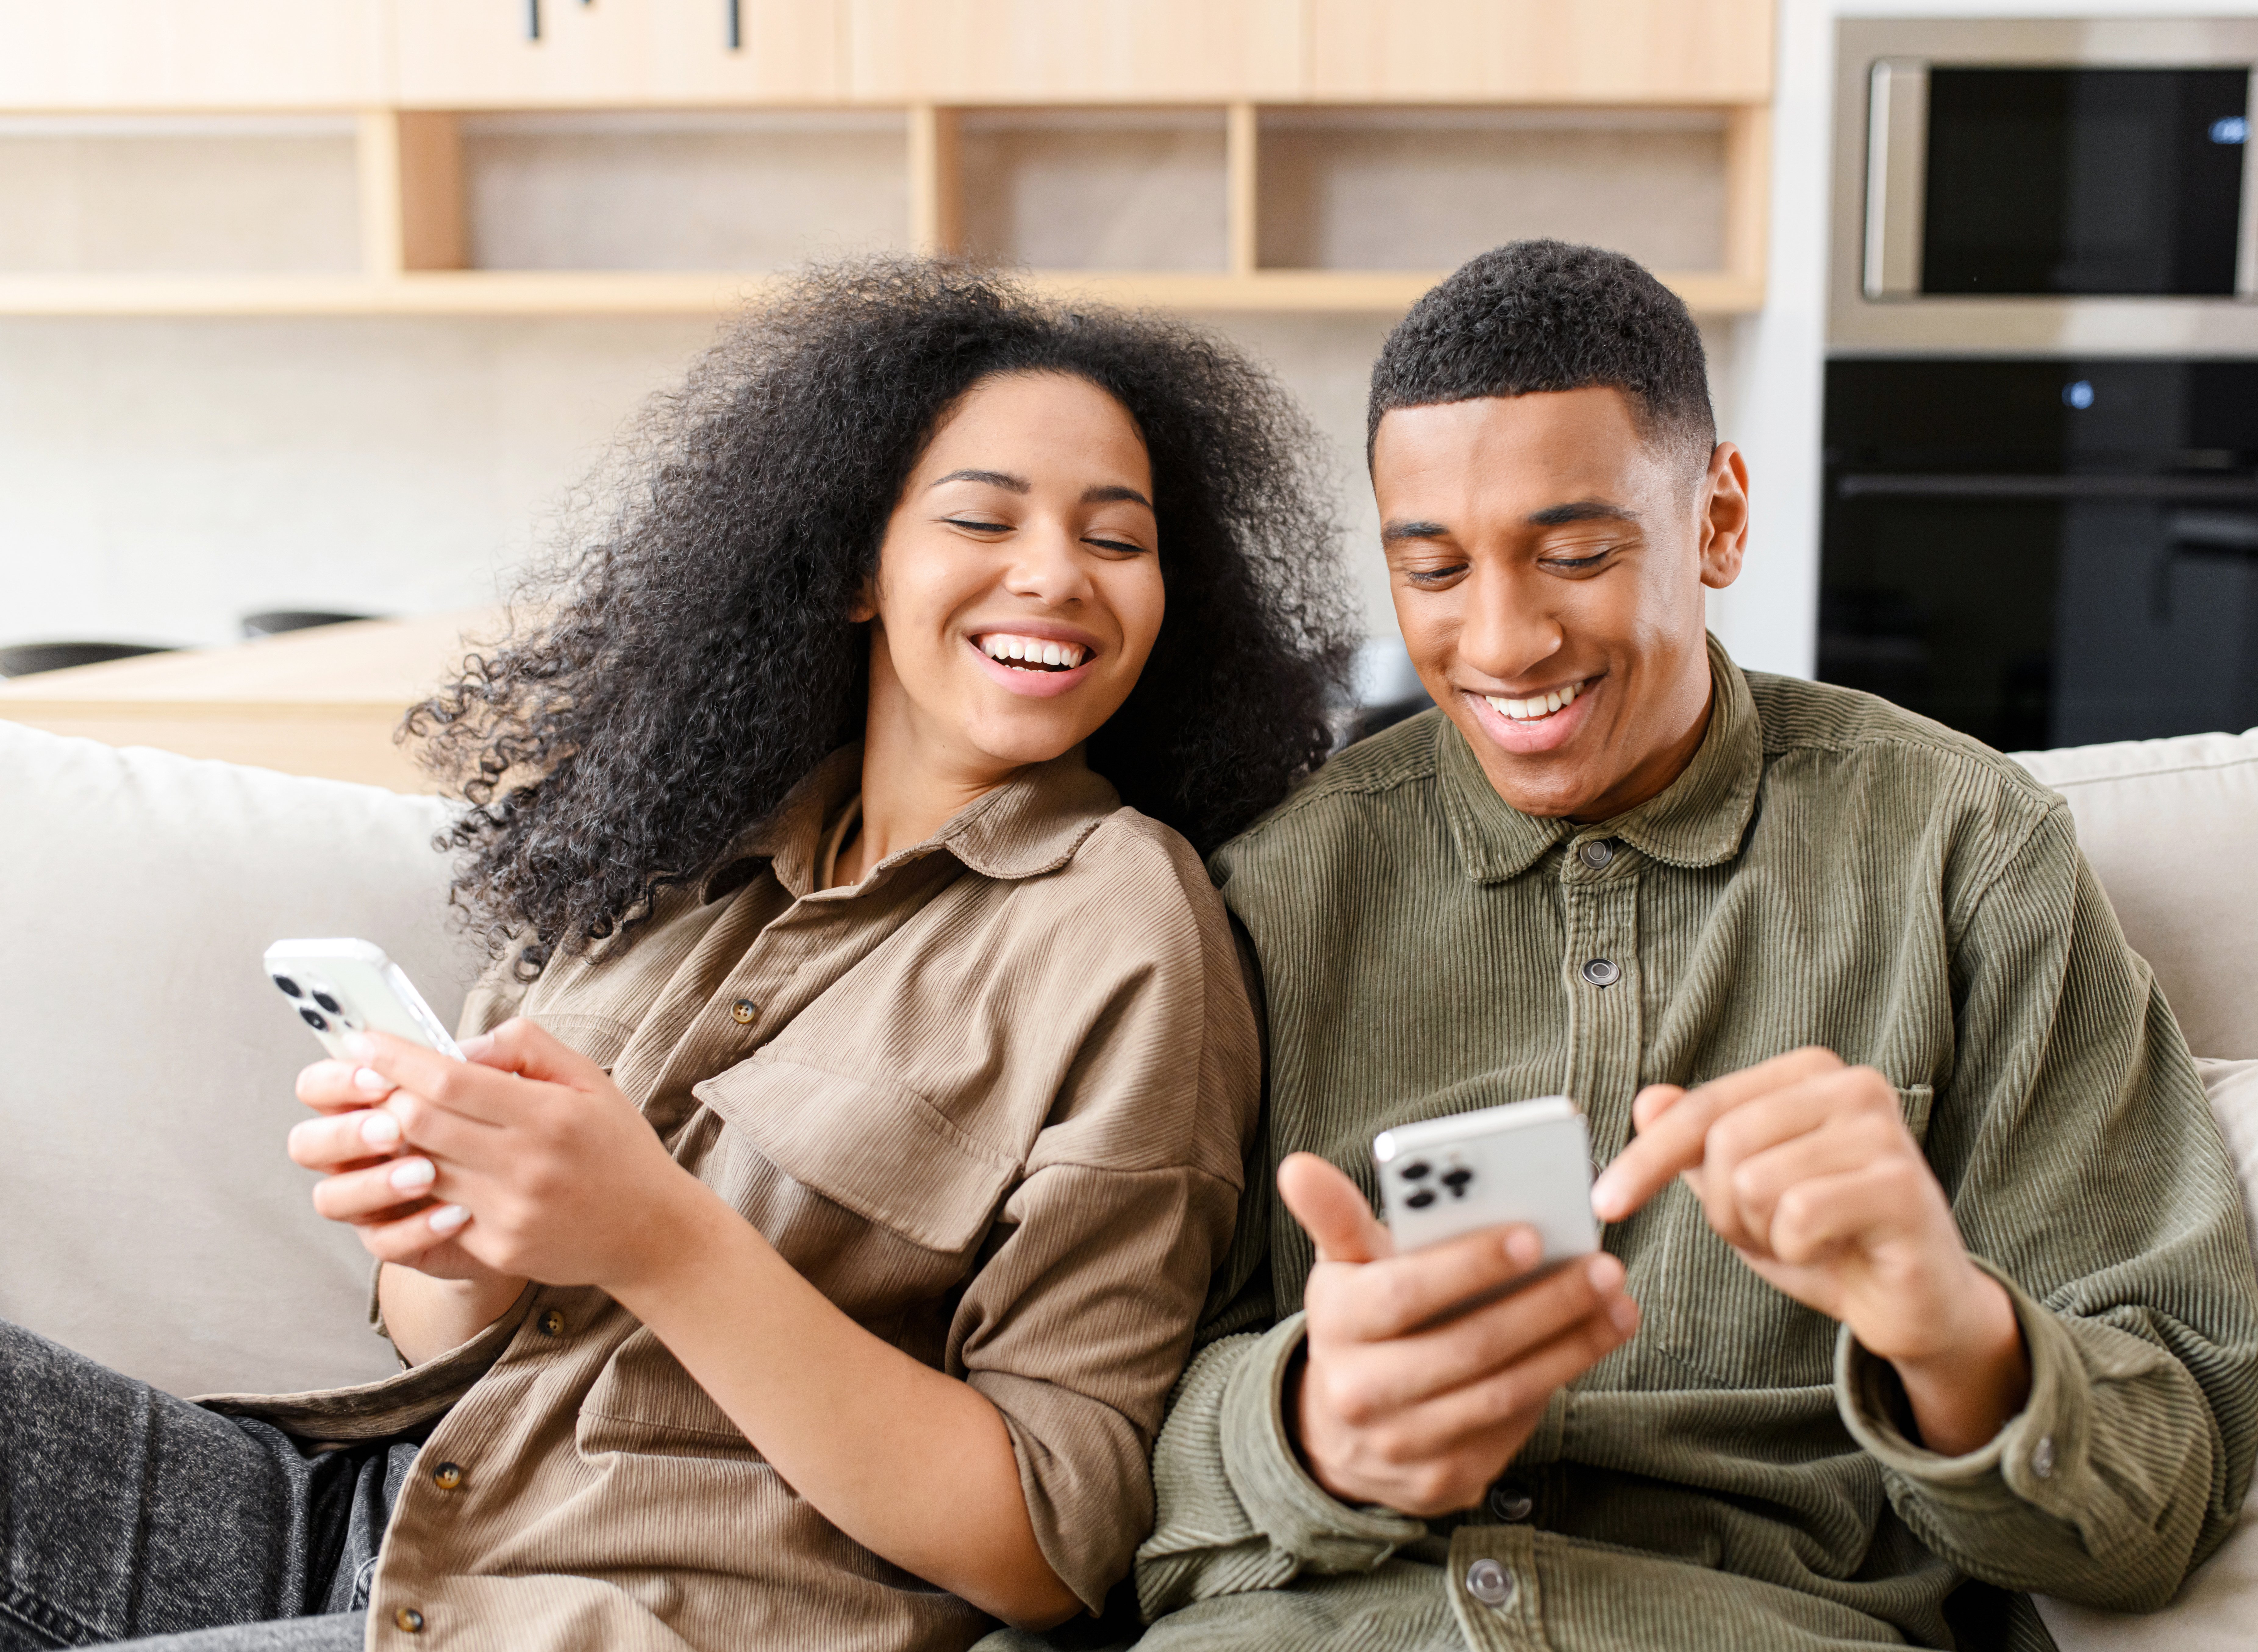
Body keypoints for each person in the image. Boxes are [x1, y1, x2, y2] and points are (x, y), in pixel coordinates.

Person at [0, 259, 1358, 1652]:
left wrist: (655, 1235)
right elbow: (431, 1331)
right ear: (850, 570)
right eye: (981, 518)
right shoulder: (676, 842)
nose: (1056, 575)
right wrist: (446, 1226)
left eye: (1115, 541)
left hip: (627, 1614)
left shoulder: (1125, 925)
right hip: (372, 1518)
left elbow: (1046, 1542)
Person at [1122, 241, 2258, 1650]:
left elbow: (2165, 1486)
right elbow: (1100, 1444)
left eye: (1578, 554)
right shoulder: (1271, 889)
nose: (1503, 639)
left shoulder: (1966, 852)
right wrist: (1299, 1427)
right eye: (1432, 568)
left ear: (1717, 519)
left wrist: (1957, 1333)